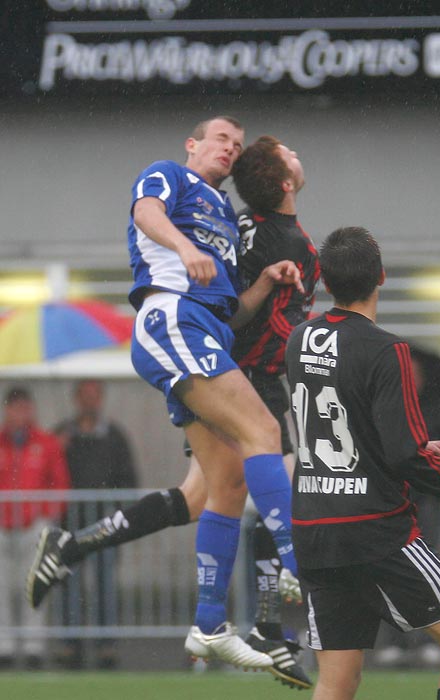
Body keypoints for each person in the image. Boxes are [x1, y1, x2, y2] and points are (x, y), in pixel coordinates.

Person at [26, 127, 316, 685]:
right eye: (221, 137)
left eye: (236, 143)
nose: (229, 147)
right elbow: (145, 211)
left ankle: (209, 625)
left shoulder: (229, 218)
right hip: (173, 319)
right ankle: (296, 577)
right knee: (262, 433)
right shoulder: (170, 174)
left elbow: (232, 311)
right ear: (192, 144)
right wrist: (183, 246)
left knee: (225, 482)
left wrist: (261, 284)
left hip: (208, 331)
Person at [285, 227, 440, 700]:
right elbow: (401, 453)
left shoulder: (300, 340)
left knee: (338, 679)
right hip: (374, 529)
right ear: (381, 276)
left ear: (322, 280)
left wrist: (419, 445)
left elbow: (350, 427)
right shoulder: (387, 349)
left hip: (316, 528)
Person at [374, 347, 440, 668]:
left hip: (425, 503)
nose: (409, 380)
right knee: (389, 571)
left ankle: (429, 639)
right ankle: (395, 640)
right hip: (389, 504)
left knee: (427, 571)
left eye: (413, 374)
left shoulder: (439, 412)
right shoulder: (385, 407)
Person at [53, 379, 138, 670]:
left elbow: (129, 479)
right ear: (76, 399)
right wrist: (58, 449)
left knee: (105, 585)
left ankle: (106, 646)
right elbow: (51, 476)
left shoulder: (114, 436)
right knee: (69, 584)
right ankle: (70, 644)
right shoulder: (62, 436)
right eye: (85, 396)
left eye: (95, 396)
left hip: (105, 526)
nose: (90, 402)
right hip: (70, 526)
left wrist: (117, 514)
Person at [0, 386, 70, 669]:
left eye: (24, 407)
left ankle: (33, 646)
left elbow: (60, 482)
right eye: (14, 408)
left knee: (33, 585)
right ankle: (4, 644)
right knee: (3, 587)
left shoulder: (47, 442)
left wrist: (47, 516)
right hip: (3, 525)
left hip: (33, 525)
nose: (20, 413)